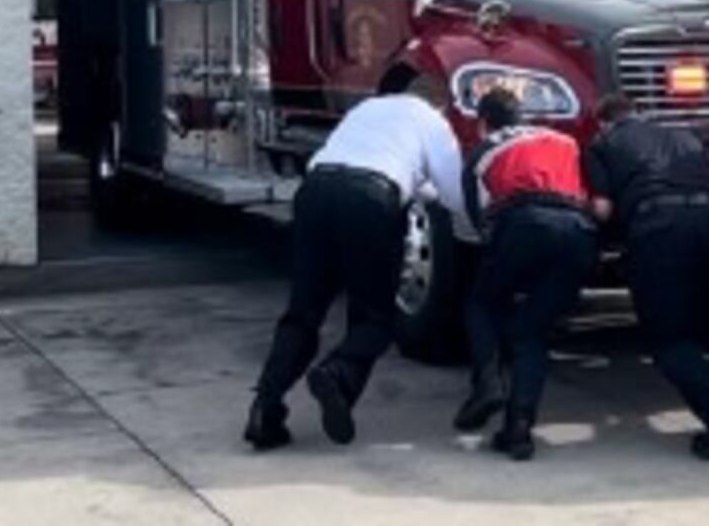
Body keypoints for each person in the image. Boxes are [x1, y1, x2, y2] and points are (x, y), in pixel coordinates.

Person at [244, 79, 466, 450]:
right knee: (374, 318)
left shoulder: (366, 109)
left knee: (303, 311)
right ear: (440, 103)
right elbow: (454, 194)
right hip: (370, 201)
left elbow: (381, 160)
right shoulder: (432, 120)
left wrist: (415, 183)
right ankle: (339, 373)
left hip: (316, 191)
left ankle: (265, 407)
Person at [585, 94, 709, 459]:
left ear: (604, 122)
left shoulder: (602, 143)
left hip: (660, 229)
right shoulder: (685, 135)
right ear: (640, 113)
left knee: (670, 338)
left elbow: (602, 208)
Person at [452, 87, 598, 460]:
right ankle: (518, 430)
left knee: (482, 303)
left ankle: (487, 385)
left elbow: (480, 221)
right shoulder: (564, 140)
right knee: (533, 333)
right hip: (579, 231)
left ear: (483, 123)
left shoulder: (481, 154)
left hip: (524, 224)